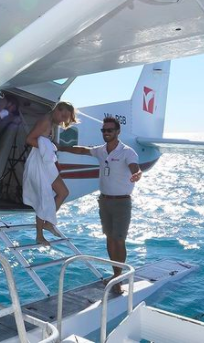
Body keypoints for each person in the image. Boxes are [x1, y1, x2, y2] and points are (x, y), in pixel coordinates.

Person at [58, 117, 142, 294]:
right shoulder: (101, 151)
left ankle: (118, 278)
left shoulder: (127, 152)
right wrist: (60, 147)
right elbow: (82, 150)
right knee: (110, 238)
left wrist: (137, 174)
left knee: (119, 240)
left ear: (118, 132)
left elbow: (135, 167)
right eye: (104, 130)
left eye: (110, 130)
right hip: (104, 201)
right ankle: (115, 274)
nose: (106, 133)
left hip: (121, 202)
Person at [23, 101, 77, 245]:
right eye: (62, 115)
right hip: (39, 164)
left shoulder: (51, 122)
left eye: (65, 118)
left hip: (46, 164)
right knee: (45, 197)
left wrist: (50, 146)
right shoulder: (45, 122)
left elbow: (43, 142)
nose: (62, 119)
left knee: (63, 192)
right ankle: (39, 235)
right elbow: (29, 139)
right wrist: (47, 147)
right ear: (56, 109)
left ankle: (48, 222)